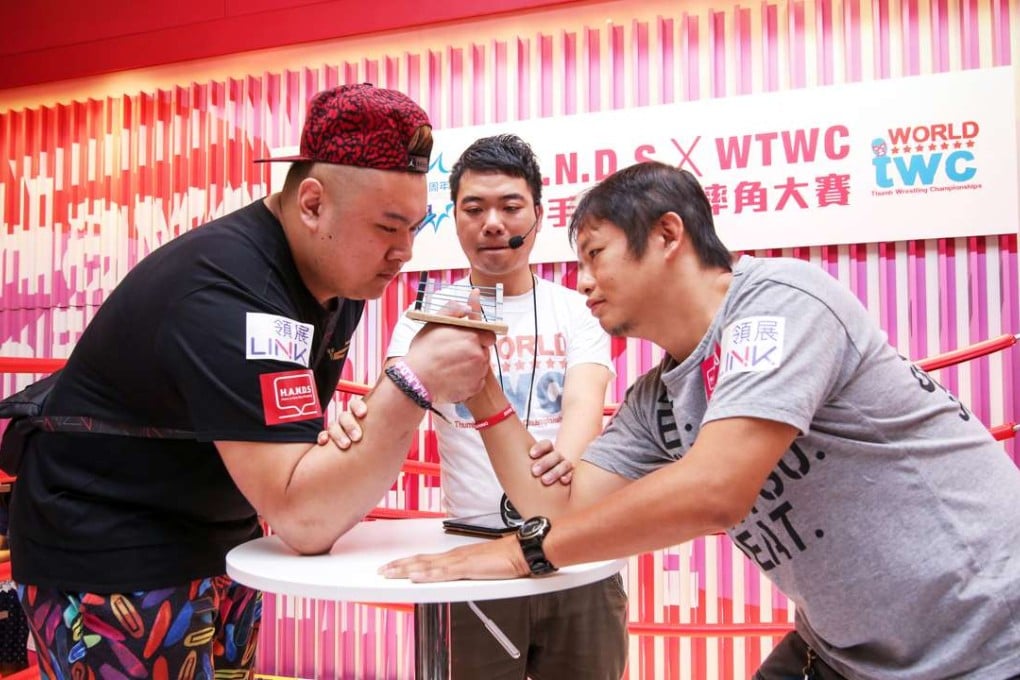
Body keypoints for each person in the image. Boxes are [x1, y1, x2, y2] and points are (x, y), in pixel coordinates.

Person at [379, 161, 1020, 679]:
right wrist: (485, 394)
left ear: (666, 235)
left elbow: (715, 488)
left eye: (596, 254)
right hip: (849, 653)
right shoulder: (658, 398)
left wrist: (520, 554)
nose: (585, 282)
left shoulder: (780, 300)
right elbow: (565, 510)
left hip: (989, 640)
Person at [8, 83, 496, 679]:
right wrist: (411, 384)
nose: (403, 252)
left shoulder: (338, 279)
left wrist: (322, 459)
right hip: (109, 546)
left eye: (415, 228)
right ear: (312, 204)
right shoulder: (225, 292)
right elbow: (304, 517)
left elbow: (297, 464)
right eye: (388, 227)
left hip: (225, 534)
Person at [386, 134, 628, 679]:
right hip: (474, 559)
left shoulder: (576, 310)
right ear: (456, 221)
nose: (493, 222)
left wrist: (561, 478)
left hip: (576, 550)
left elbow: (584, 413)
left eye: (510, 206)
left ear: (537, 216)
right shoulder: (425, 317)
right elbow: (390, 409)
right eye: (474, 208)